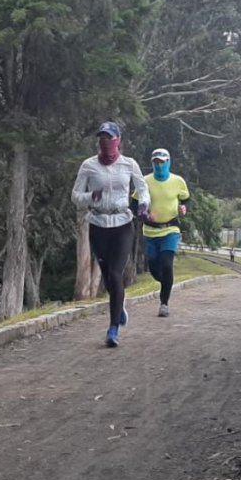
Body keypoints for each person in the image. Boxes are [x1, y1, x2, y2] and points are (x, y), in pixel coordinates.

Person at [71, 121, 150, 347]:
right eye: (102, 138)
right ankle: (119, 302)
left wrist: (143, 204)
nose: (105, 142)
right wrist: (90, 197)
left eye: (109, 138)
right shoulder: (88, 165)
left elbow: (143, 189)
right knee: (107, 275)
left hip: (122, 223)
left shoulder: (129, 164)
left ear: (118, 140)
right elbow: (75, 196)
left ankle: (113, 329)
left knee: (115, 274)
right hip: (98, 224)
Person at [135, 148, 190, 317]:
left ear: (168, 162)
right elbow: (134, 203)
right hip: (150, 231)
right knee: (155, 270)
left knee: (167, 264)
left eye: (162, 162)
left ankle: (164, 303)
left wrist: (184, 208)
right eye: (156, 162)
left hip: (170, 229)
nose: (159, 166)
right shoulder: (145, 181)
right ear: (152, 163)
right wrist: (143, 213)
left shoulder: (177, 181)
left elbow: (186, 199)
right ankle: (167, 281)